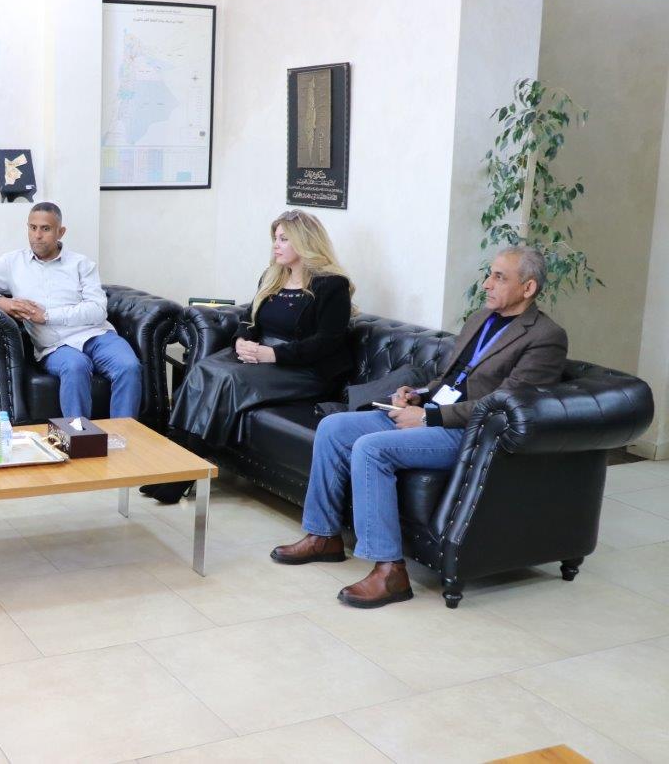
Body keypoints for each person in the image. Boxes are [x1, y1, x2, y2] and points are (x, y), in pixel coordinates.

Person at [271, 246, 567, 608]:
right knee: (333, 428)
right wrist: (417, 395)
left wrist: (429, 417)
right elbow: (450, 380)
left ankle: (390, 572)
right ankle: (323, 537)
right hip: (431, 413)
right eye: (489, 274)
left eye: (499, 277)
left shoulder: (545, 337)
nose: (487, 284)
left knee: (371, 448)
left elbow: (503, 405)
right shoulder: (481, 318)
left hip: (470, 435)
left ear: (528, 287)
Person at [145, 210, 354, 503]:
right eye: (275, 239)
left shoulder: (332, 285)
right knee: (203, 369)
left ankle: (185, 475)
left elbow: (327, 342)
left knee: (228, 378)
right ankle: (172, 465)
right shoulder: (273, 276)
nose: (276, 245)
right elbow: (249, 317)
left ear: (305, 241)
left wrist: (273, 354)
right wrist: (242, 340)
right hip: (261, 357)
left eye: (284, 239)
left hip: (305, 369)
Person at [0, 201, 141, 420]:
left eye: (45, 229)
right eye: (32, 228)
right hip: (55, 345)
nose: (37, 235)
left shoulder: (82, 264)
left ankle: (124, 435)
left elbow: (98, 310)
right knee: (75, 366)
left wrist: (47, 316)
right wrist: (0, 301)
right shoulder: (13, 263)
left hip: (97, 335)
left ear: (60, 232)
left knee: (129, 366)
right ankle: (79, 435)